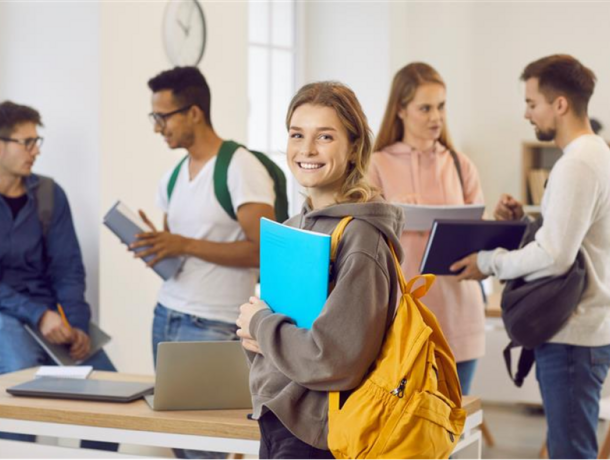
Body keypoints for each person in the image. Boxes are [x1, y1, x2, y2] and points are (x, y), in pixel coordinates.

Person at [235, 81, 404, 459]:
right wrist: (257, 334)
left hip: (320, 436)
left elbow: (334, 359)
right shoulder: (294, 225)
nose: (306, 150)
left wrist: (262, 326)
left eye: (324, 136)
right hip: (278, 417)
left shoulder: (362, 238)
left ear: (354, 148)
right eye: (297, 134)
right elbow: (281, 334)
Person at [453, 54, 610, 459]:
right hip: (583, 331)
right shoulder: (596, 155)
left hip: (573, 335)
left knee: (570, 452)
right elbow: (572, 239)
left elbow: (556, 256)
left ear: (560, 104)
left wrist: (488, 262)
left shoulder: (577, 164)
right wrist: (524, 220)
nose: (526, 113)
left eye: (531, 103)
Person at [135, 67, 276, 459]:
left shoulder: (239, 167)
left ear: (193, 112)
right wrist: (157, 247)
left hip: (213, 323)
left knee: (206, 448)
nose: (157, 128)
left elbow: (265, 251)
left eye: (162, 117)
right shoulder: (173, 176)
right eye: (155, 118)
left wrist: (182, 242)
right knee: (180, 442)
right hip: (166, 316)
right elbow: (181, 252)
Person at [0, 100, 117, 451]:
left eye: (38, 141)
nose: (35, 150)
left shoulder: (50, 194)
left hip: (51, 311)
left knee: (111, 388)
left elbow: (68, 267)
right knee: (22, 383)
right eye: (27, 142)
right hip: (8, 314)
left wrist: (77, 324)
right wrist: (39, 314)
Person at [368, 62, 485, 395]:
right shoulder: (376, 165)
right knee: (409, 436)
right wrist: (392, 213)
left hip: (461, 318)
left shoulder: (461, 166)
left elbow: (479, 244)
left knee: (450, 433)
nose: (437, 117)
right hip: (401, 322)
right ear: (401, 110)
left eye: (441, 106)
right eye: (426, 108)